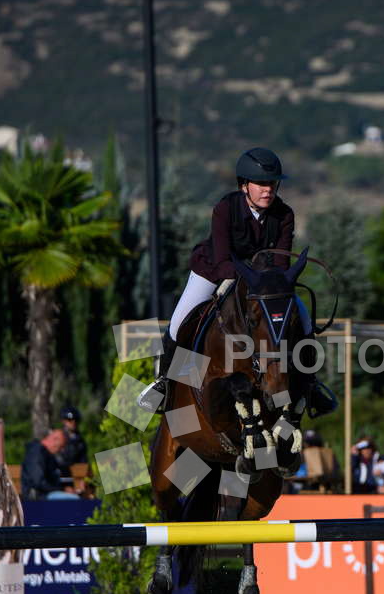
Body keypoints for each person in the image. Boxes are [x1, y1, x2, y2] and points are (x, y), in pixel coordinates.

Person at [137, 147, 336, 417]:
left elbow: (280, 265)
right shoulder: (225, 209)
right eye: (261, 184)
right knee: (178, 321)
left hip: (262, 283)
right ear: (244, 186)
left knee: (302, 318)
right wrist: (251, 280)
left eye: (272, 183)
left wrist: (269, 285)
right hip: (214, 272)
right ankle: (163, 383)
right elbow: (223, 261)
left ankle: (310, 384)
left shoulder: (285, 214)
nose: (268, 189)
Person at [21, 429, 81, 500]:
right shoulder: (36, 453)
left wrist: (65, 488)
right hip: (37, 497)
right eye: (60, 446)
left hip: (46, 493)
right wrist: (62, 489)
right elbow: (38, 482)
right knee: (74, 499)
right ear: (54, 440)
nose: (61, 450)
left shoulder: (47, 454)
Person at [54, 405, 87, 478]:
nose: (73, 422)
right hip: (58, 478)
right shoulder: (56, 438)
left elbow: (82, 463)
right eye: (69, 420)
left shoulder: (80, 442)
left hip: (75, 477)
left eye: (75, 420)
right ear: (63, 421)